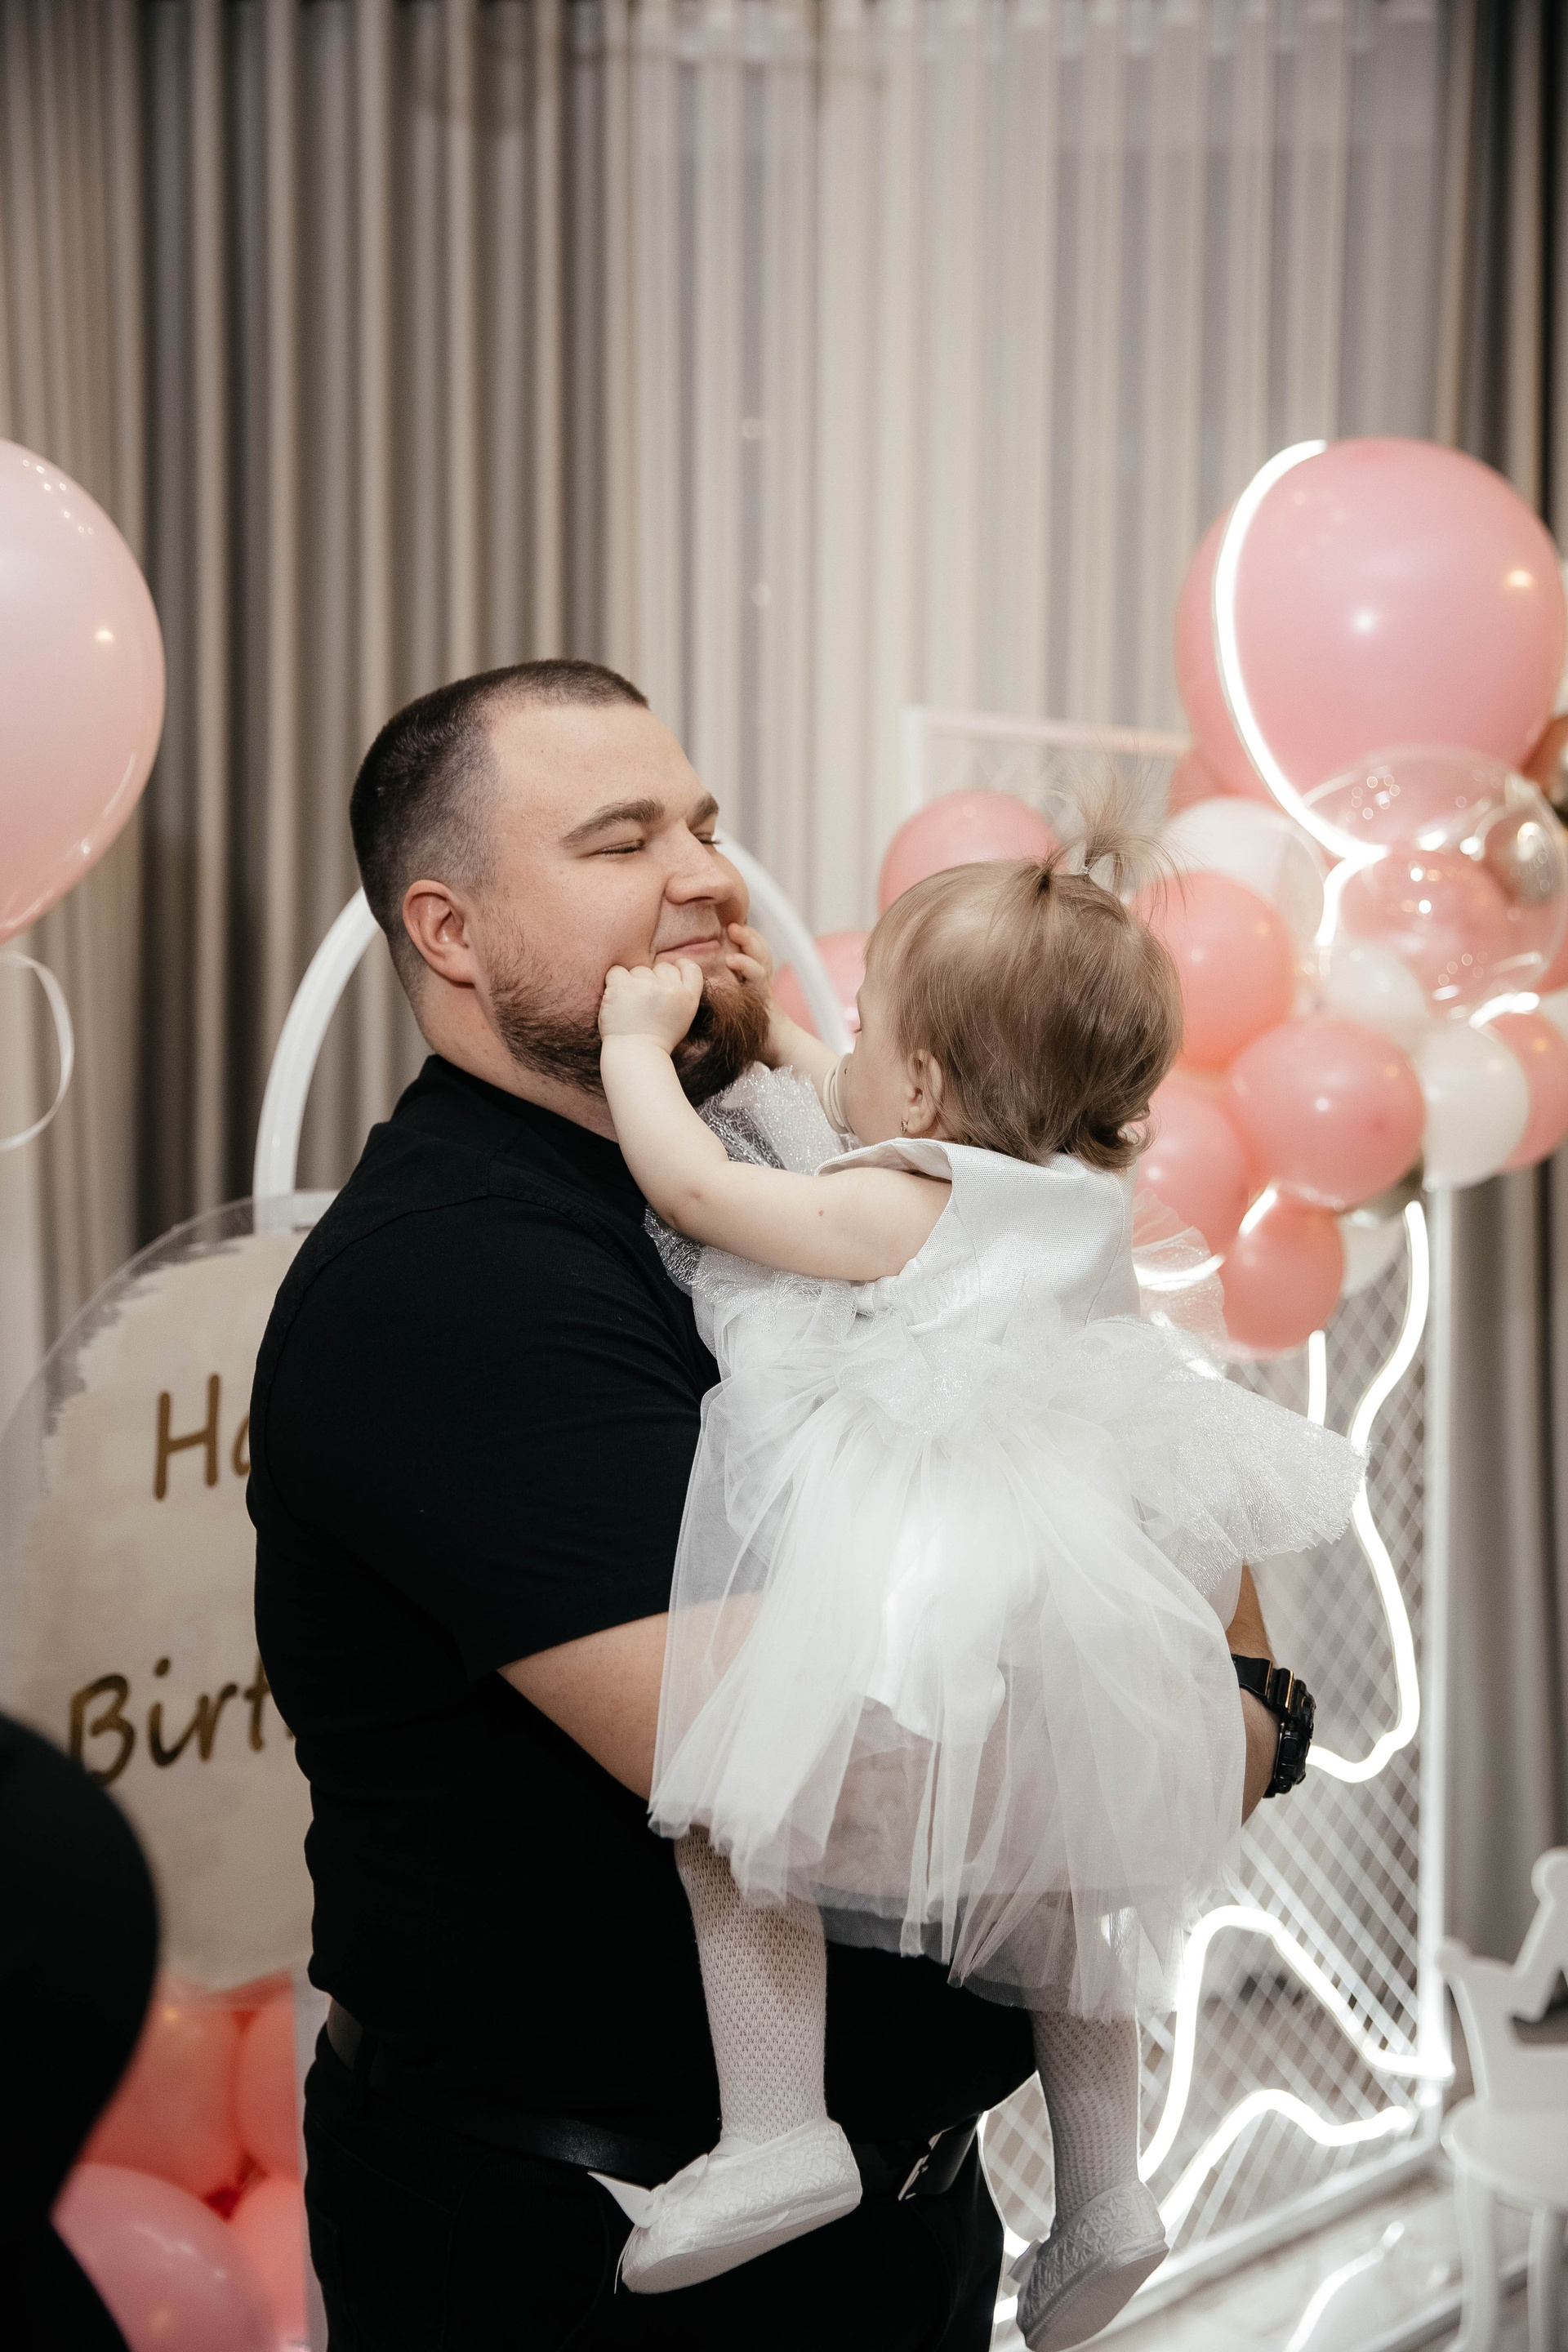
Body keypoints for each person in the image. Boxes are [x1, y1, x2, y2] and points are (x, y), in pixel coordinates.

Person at [249, 659, 1290, 2351]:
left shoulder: (776, 1149)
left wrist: (1225, 1698)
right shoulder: (459, 1281)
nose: (707, 876)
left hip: (911, 2222)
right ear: (449, 931)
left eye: (705, 824)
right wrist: (1226, 1712)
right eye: (621, 841)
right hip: (601, 2259)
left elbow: (1116, 1450)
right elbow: (824, 1777)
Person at [593, 835, 1363, 2344]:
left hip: (923, 1555)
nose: (844, 1052)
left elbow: (693, 1181)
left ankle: (777, 2129)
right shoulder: (1066, 1201)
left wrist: (636, 1046)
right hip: (1073, 1589)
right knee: (1068, 1894)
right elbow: (841, 1087)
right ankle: (1108, 2188)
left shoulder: (907, 1203)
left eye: (871, 1026)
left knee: (738, 1808)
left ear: (930, 1087)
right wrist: (784, 1033)